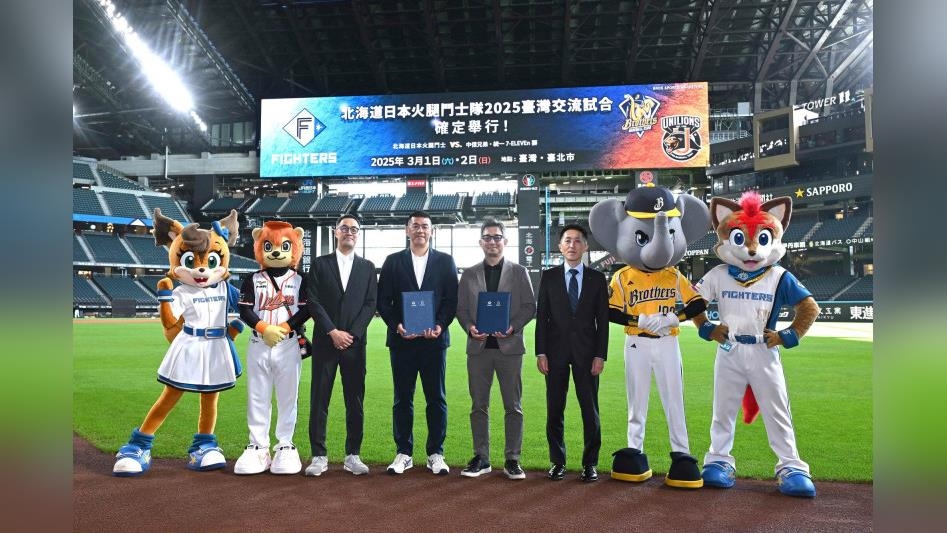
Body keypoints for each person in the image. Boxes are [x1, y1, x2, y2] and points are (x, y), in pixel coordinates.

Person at [376, 211, 458, 476]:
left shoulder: (445, 261)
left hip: (434, 342)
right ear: (407, 230)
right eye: (415, 226)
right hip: (402, 342)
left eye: (425, 226)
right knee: (402, 399)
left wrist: (440, 325)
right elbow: (383, 301)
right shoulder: (392, 262)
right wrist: (397, 325)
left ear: (431, 231)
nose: (420, 230)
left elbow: (451, 301)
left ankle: (436, 453)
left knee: (436, 398)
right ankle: (404, 452)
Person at [455, 218, 535, 480]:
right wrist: (470, 327)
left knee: (513, 406)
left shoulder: (519, 272)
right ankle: (482, 458)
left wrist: (512, 327)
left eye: (497, 237)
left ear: (505, 241)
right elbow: (461, 309)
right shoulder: (469, 274)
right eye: (487, 237)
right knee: (479, 406)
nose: (492, 241)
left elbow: (529, 307)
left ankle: (512, 459)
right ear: (481, 242)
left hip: (509, 349)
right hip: (478, 349)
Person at [303, 214, 377, 477]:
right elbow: (313, 301)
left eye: (354, 229)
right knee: (319, 399)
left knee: (354, 401)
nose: (349, 232)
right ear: (336, 232)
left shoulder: (368, 267)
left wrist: (352, 335)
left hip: (355, 346)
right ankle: (318, 456)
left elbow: (370, 304)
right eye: (345, 228)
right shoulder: (320, 264)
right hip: (326, 342)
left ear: (358, 234)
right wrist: (332, 331)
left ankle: (352, 455)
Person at [535, 224, 609, 482]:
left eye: (578, 241)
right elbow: (542, 317)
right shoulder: (549, 277)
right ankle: (557, 461)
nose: (572, 245)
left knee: (590, 410)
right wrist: (541, 352)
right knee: (555, 409)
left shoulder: (597, 279)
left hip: (587, 354)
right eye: (567, 240)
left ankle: (590, 463)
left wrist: (600, 355)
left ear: (585, 246)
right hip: (554, 353)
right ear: (560, 246)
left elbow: (603, 321)